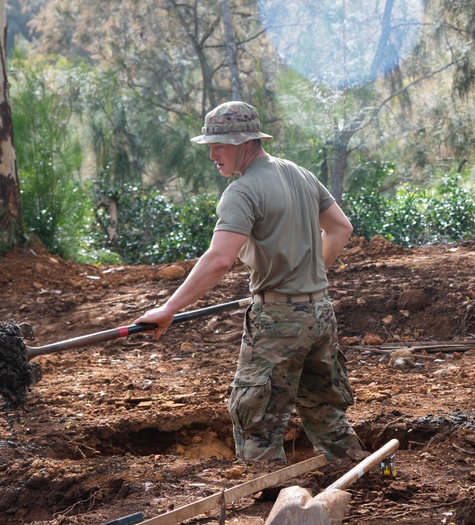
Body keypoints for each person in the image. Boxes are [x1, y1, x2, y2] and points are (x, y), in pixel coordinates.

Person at [135, 101, 365, 464]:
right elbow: (341, 228)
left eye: (220, 144)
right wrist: (307, 276)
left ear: (245, 142)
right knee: (325, 408)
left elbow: (219, 259)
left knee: (256, 417)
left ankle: (270, 497)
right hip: (320, 312)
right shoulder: (301, 174)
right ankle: (361, 476)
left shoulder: (242, 192)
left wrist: (168, 309)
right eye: (209, 145)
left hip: (277, 321)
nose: (212, 154)